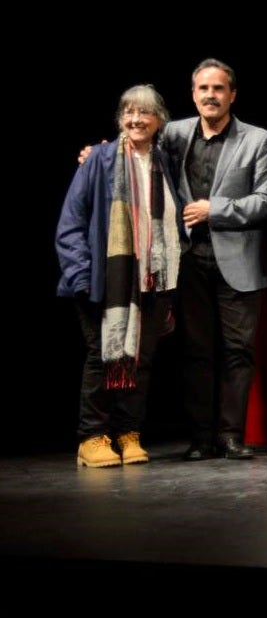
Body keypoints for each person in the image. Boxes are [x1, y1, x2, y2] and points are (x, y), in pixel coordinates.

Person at [57, 85, 186, 467]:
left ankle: (128, 432)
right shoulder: (98, 160)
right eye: (128, 112)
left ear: (159, 120)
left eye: (144, 113)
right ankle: (92, 436)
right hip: (103, 283)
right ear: (119, 119)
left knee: (140, 361)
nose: (135, 119)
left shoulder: (166, 162)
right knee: (103, 358)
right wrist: (82, 277)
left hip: (151, 282)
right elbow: (70, 225)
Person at [163, 60, 267, 461]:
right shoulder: (173, 134)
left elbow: (265, 201)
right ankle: (200, 437)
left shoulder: (258, 139)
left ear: (232, 94)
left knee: (237, 351)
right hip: (188, 258)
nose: (210, 95)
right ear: (193, 93)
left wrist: (217, 209)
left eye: (218, 88)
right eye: (203, 89)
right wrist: (96, 154)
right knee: (196, 351)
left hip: (239, 260)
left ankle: (230, 435)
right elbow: (134, 147)